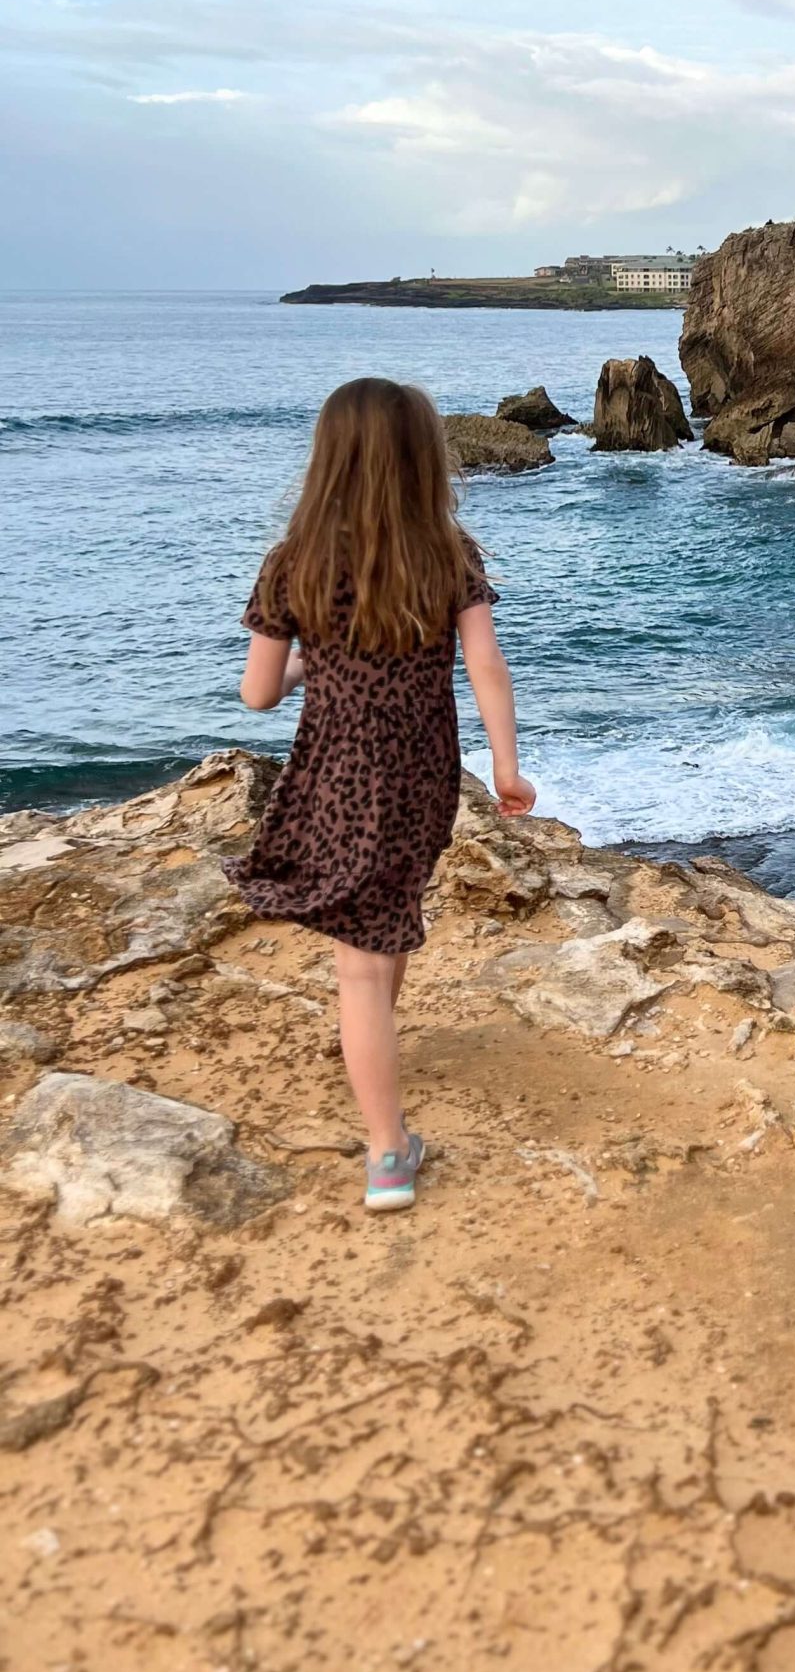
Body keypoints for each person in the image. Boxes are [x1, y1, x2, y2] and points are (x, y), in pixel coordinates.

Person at [227, 377, 535, 1211]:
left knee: (359, 968)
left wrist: (305, 661)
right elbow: (484, 668)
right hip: (422, 774)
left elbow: (258, 695)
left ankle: (387, 1152)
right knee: (386, 916)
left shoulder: (293, 563)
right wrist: (507, 769)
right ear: (421, 463)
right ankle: (375, 1057)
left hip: (337, 776)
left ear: (327, 462)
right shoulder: (448, 553)